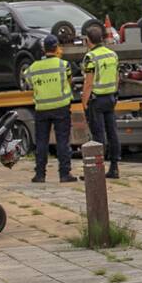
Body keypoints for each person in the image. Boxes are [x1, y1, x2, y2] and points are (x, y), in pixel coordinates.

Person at [23, 35, 75, 183]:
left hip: (42, 109)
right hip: (61, 107)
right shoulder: (63, 65)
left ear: (43, 49)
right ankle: (64, 174)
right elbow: (69, 81)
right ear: (57, 47)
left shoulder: (34, 67)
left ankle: (40, 174)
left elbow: (27, 80)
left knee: (41, 142)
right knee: (62, 141)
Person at [80, 25, 121, 178]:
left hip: (96, 100)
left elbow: (89, 83)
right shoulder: (112, 54)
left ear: (88, 40)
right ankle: (115, 167)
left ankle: (96, 170)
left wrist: (84, 102)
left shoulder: (90, 57)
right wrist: (115, 94)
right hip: (110, 98)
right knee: (112, 133)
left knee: (98, 136)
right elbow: (117, 77)